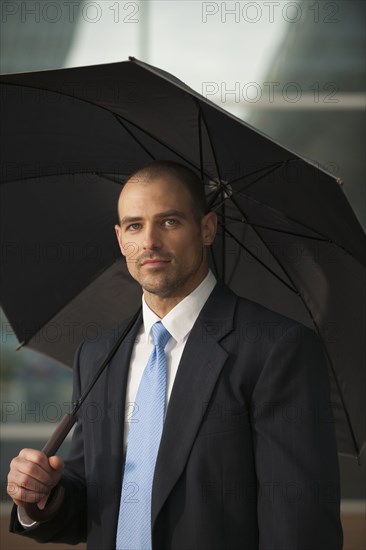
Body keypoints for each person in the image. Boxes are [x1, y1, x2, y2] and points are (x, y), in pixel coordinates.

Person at [8, 161, 343, 549]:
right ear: (120, 239)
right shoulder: (97, 355)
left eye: (168, 222)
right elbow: (93, 504)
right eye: (134, 225)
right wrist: (43, 498)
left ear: (206, 229)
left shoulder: (276, 349)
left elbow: (298, 528)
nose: (149, 241)